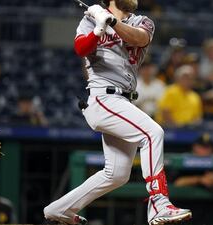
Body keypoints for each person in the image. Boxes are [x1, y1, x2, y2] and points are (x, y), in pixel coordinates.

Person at [43, 1, 192, 225]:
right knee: (153, 133)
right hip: (103, 96)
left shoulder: (142, 21)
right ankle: (159, 204)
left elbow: (139, 38)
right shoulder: (90, 19)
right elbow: (81, 49)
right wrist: (99, 27)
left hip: (123, 101)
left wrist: (110, 20)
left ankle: (58, 209)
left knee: (116, 174)